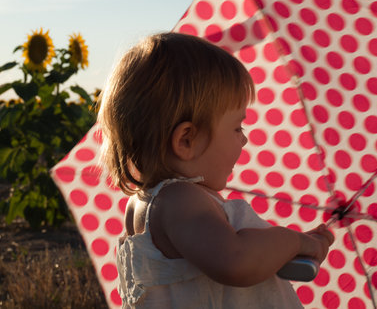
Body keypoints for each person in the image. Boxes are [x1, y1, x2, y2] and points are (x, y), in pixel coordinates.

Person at [98, 32, 334, 308]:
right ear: (186, 141)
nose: (244, 139)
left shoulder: (148, 203)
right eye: (237, 127)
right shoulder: (179, 201)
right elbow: (236, 261)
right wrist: (297, 242)